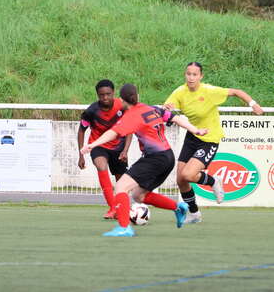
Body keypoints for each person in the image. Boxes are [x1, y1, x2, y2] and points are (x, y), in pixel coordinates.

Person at [81, 83, 208, 237]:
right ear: (138, 96)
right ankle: (178, 207)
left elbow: (112, 133)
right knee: (138, 196)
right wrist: (196, 130)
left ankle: (124, 228)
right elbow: (176, 118)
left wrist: (92, 145)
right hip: (168, 157)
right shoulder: (152, 109)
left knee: (121, 186)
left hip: (154, 159)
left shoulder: (132, 115)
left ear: (121, 99)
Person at [163, 62, 264, 224]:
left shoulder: (210, 91)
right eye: (188, 74)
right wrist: (167, 108)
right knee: (180, 180)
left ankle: (213, 181)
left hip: (209, 139)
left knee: (188, 175)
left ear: (201, 76)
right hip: (192, 137)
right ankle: (195, 214)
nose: (191, 77)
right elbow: (167, 110)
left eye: (195, 74)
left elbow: (237, 92)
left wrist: (253, 104)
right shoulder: (180, 92)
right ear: (185, 75)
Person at [78, 79, 132, 219]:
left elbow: (129, 129)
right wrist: (81, 154)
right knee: (101, 166)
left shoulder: (122, 106)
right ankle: (112, 208)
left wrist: (125, 150)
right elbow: (81, 131)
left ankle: (122, 207)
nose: (105, 97)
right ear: (97, 95)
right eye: (102, 95)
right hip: (98, 146)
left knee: (121, 181)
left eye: (108, 94)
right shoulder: (91, 111)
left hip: (118, 148)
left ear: (113, 93)